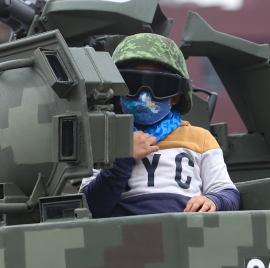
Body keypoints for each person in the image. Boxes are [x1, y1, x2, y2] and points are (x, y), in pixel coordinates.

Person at [80, 33, 240, 218]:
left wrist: (213, 200)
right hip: (123, 238)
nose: (144, 97)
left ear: (175, 96)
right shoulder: (106, 140)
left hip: (186, 236)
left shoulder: (200, 139)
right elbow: (90, 207)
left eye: (159, 87)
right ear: (117, 93)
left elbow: (228, 193)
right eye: (132, 85)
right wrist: (122, 159)